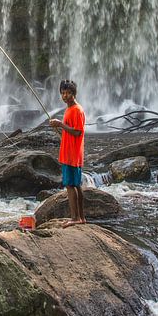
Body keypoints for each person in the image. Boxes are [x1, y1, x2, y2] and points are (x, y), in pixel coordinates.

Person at [49, 79, 86, 226]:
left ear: (74, 94)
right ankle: (81, 218)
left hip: (72, 153)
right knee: (76, 185)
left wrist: (60, 124)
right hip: (70, 152)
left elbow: (77, 132)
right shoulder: (69, 109)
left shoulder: (77, 110)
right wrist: (58, 127)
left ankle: (75, 218)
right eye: (63, 93)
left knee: (71, 186)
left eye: (68, 93)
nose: (65, 96)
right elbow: (69, 131)